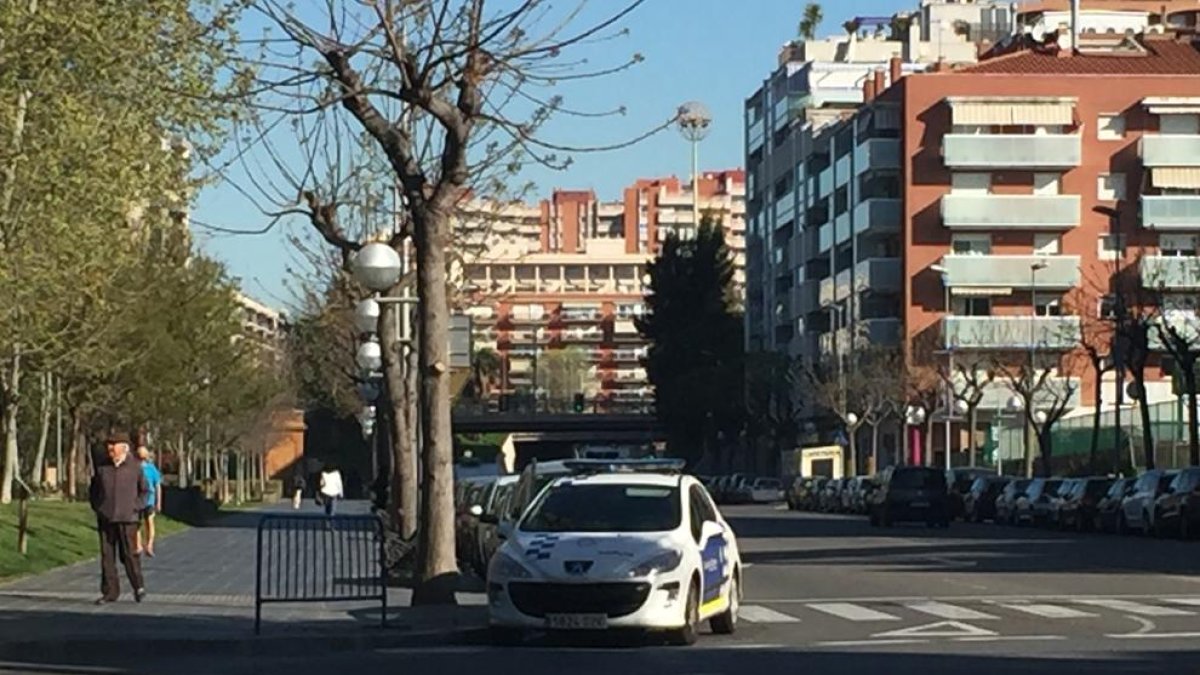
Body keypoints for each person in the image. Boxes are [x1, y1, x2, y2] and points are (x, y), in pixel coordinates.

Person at [89, 432, 148, 604]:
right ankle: (110, 592)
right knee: (107, 556)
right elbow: (94, 491)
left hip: (128, 518)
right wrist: (98, 507)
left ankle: (138, 586)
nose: (110, 449)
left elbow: (145, 491)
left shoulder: (136, 467)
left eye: (113, 445)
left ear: (124, 448)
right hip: (106, 518)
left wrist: (135, 507)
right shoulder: (102, 468)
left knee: (129, 555)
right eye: (109, 445)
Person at [135, 447, 163, 557]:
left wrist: (158, 501)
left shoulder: (152, 469)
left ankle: (149, 545)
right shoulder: (135, 468)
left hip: (149, 500)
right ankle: (138, 545)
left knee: (149, 522)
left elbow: (157, 485)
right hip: (137, 500)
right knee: (137, 523)